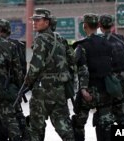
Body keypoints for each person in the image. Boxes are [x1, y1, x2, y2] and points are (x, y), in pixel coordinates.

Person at [23, 8, 75, 141]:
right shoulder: (60, 38)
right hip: (59, 89)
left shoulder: (40, 39)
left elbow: (35, 67)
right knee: (63, 124)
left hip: (42, 90)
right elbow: (72, 60)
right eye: (33, 20)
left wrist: (27, 82)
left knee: (36, 126)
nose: (34, 22)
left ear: (47, 22)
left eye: (38, 20)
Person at [72, 13, 115, 141]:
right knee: (106, 124)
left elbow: (82, 68)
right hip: (105, 90)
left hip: (89, 91)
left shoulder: (81, 46)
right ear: (97, 26)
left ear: (85, 26)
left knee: (78, 123)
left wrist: (83, 89)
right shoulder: (107, 44)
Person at [0, 17, 23, 141]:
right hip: (5, 89)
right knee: (11, 120)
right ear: (0, 29)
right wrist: (19, 88)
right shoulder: (10, 45)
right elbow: (17, 70)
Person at [0, 18, 29, 141]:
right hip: (15, 88)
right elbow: (22, 68)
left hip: (2, 88)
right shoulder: (19, 45)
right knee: (15, 115)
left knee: (2, 119)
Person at [99, 14, 124, 125]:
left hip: (109, 82)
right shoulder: (120, 39)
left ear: (100, 25)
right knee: (119, 112)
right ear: (112, 25)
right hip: (122, 80)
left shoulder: (100, 41)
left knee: (106, 114)